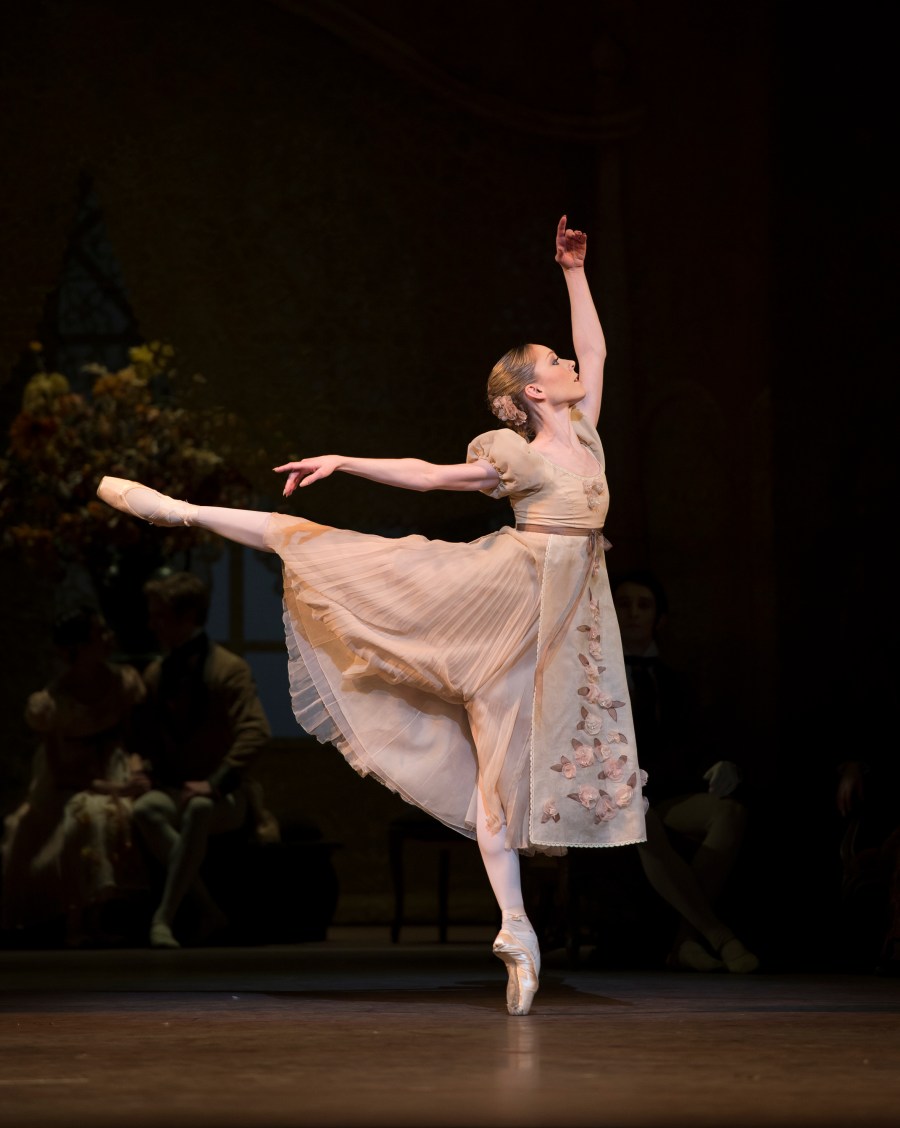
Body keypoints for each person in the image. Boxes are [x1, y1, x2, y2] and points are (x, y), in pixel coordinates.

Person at [95, 216, 743, 1013]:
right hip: (502, 597)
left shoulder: (583, 431)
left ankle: (515, 933)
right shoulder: (517, 456)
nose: (572, 363)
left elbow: (600, 351)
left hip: (562, 624)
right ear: (532, 390)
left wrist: (573, 272)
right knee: (335, 551)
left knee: (500, 781)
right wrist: (344, 459)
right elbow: (432, 478)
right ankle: (186, 512)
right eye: (555, 362)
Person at [612, 570, 759, 973]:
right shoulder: (586, 674)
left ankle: (685, 942)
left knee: (730, 812)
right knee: (636, 814)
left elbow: (698, 739)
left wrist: (721, 763)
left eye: (644, 605)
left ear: (660, 617)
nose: (633, 613)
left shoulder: (676, 680)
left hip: (665, 790)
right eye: (623, 603)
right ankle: (719, 936)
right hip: (608, 796)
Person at [129, 571, 273, 948]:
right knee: (145, 809)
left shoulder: (228, 669)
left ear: (187, 615)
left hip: (225, 794)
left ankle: (163, 918)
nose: (152, 624)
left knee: (199, 809)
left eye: (160, 615)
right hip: (175, 788)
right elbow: (143, 739)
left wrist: (214, 781)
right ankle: (209, 910)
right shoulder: (157, 672)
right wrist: (142, 770)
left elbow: (256, 731)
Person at [1, 607, 147, 947]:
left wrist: (135, 774)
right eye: (99, 634)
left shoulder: (122, 682)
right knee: (82, 813)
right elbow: (61, 771)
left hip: (115, 763)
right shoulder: (51, 702)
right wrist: (113, 787)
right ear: (79, 647)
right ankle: (76, 918)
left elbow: (133, 738)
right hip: (70, 777)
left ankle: (103, 916)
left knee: (117, 813)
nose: (109, 638)